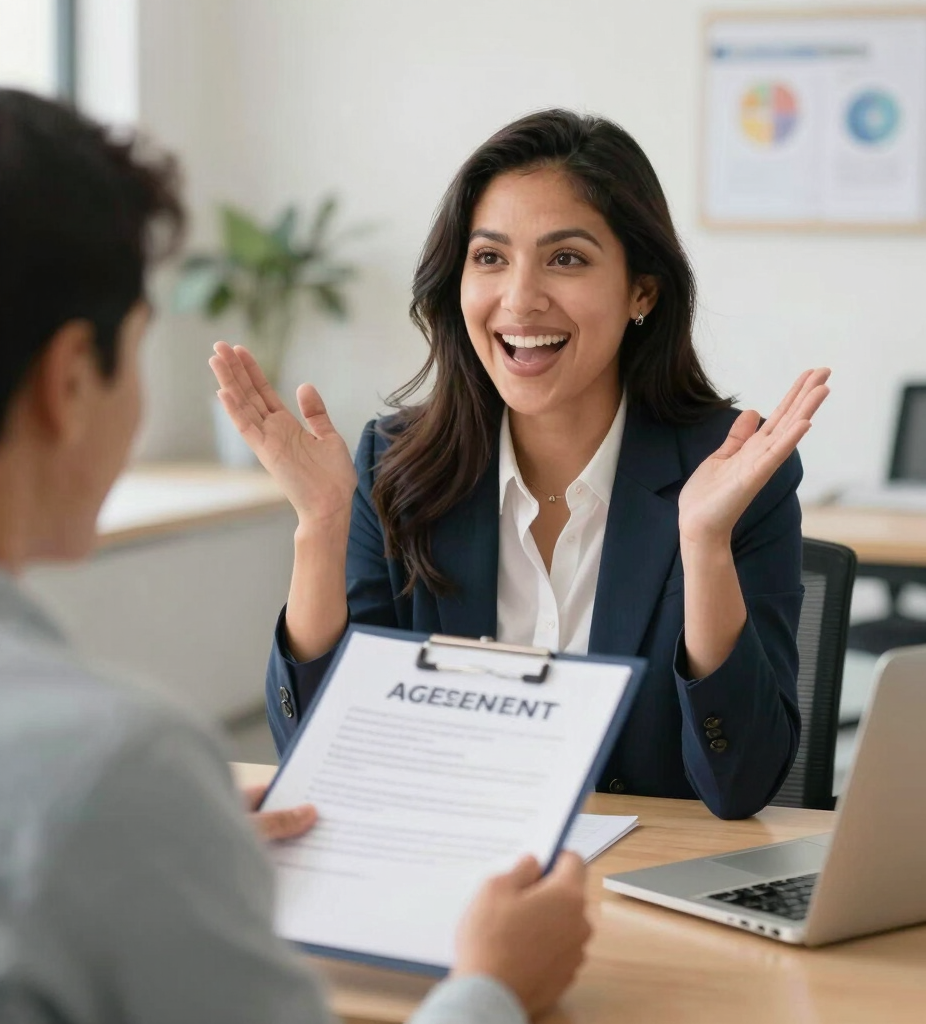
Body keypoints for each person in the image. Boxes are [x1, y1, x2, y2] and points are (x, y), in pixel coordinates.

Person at [0, 89, 590, 1024]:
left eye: (566, 257)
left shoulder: (119, 789)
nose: (520, 296)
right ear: (72, 381)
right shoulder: (116, 765)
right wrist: (495, 988)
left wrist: (166, 839)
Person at [213, 109, 829, 820]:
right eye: (490, 257)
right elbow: (322, 756)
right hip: (446, 876)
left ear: (642, 292)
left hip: (638, 892)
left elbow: (742, 784)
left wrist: (705, 547)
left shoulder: (734, 474)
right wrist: (321, 527)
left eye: (566, 258)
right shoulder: (397, 464)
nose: (519, 298)